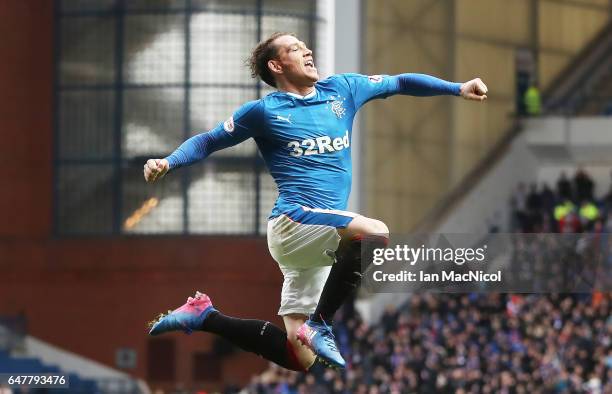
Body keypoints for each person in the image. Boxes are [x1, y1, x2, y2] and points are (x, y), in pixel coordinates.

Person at [143, 32, 488, 371]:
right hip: (293, 224)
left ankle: (205, 316)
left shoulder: (343, 90)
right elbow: (208, 141)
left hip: (319, 242)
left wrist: (456, 88)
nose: (308, 52)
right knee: (375, 233)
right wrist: (168, 162)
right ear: (277, 65)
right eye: (296, 48)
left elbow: (400, 82)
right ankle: (320, 324)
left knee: (299, 357)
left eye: (306, 46)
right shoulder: (264, 111)